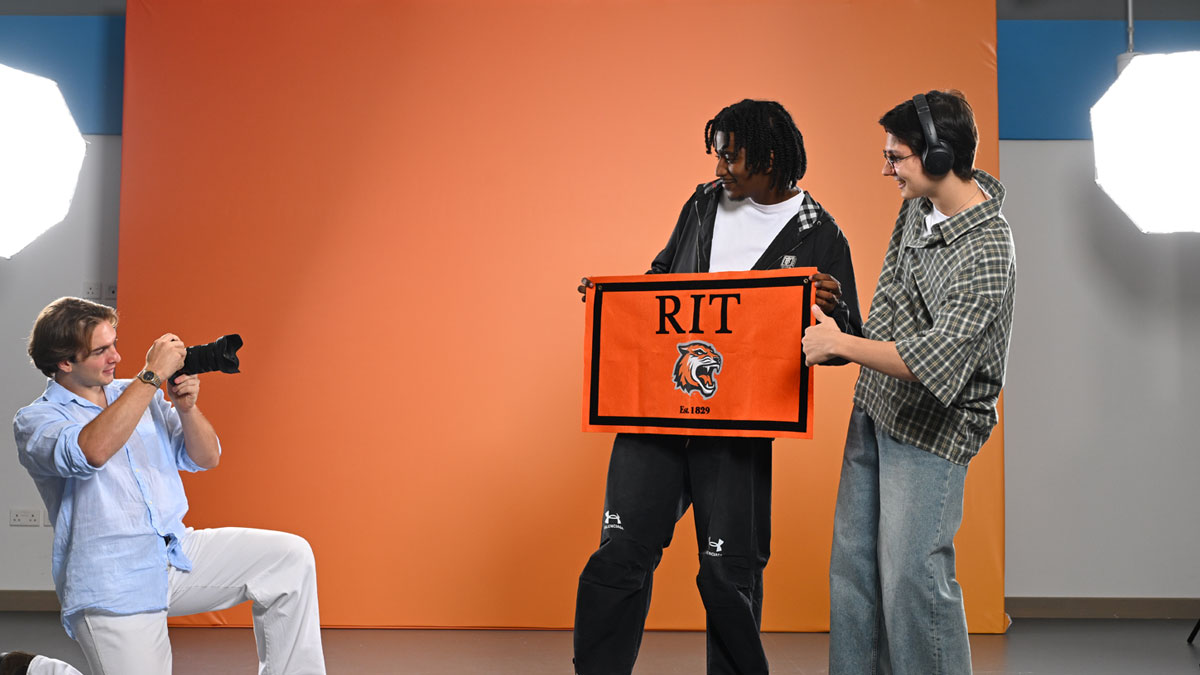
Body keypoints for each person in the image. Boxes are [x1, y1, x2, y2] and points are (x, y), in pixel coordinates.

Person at [573, 99, 863, 675]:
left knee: (728, 573)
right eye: (717, 154)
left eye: (731, 156)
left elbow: (846, 337)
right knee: (620, 554)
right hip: (655, 414)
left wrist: (824, 315)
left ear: (770, 157)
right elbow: (660, 279)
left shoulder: (820, 234)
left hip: (739, 427)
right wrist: (614, 303)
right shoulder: (703, 204)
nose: (719, 167)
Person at [802, 89, 1016, 675]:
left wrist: (842, 345)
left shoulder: (990, 249)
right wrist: (838, 322)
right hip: (876, 408)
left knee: (911, 583)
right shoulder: (917, 207)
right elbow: (893, 301)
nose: (886, 168)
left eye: (896, 157)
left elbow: (936, 360)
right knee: (854, 574)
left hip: (931, 430)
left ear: (940, 157)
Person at [13, 297, 326, 675]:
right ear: (64, 362)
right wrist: (150, 376)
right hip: (112, 581)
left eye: (113, 343)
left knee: (289, 557)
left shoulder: (137, 395)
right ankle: (38, 671)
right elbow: (91, 451)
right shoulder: (37, 420)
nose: (115, 356)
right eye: (101, 350)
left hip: (175, 556)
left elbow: (206, 458)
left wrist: (187, 409)